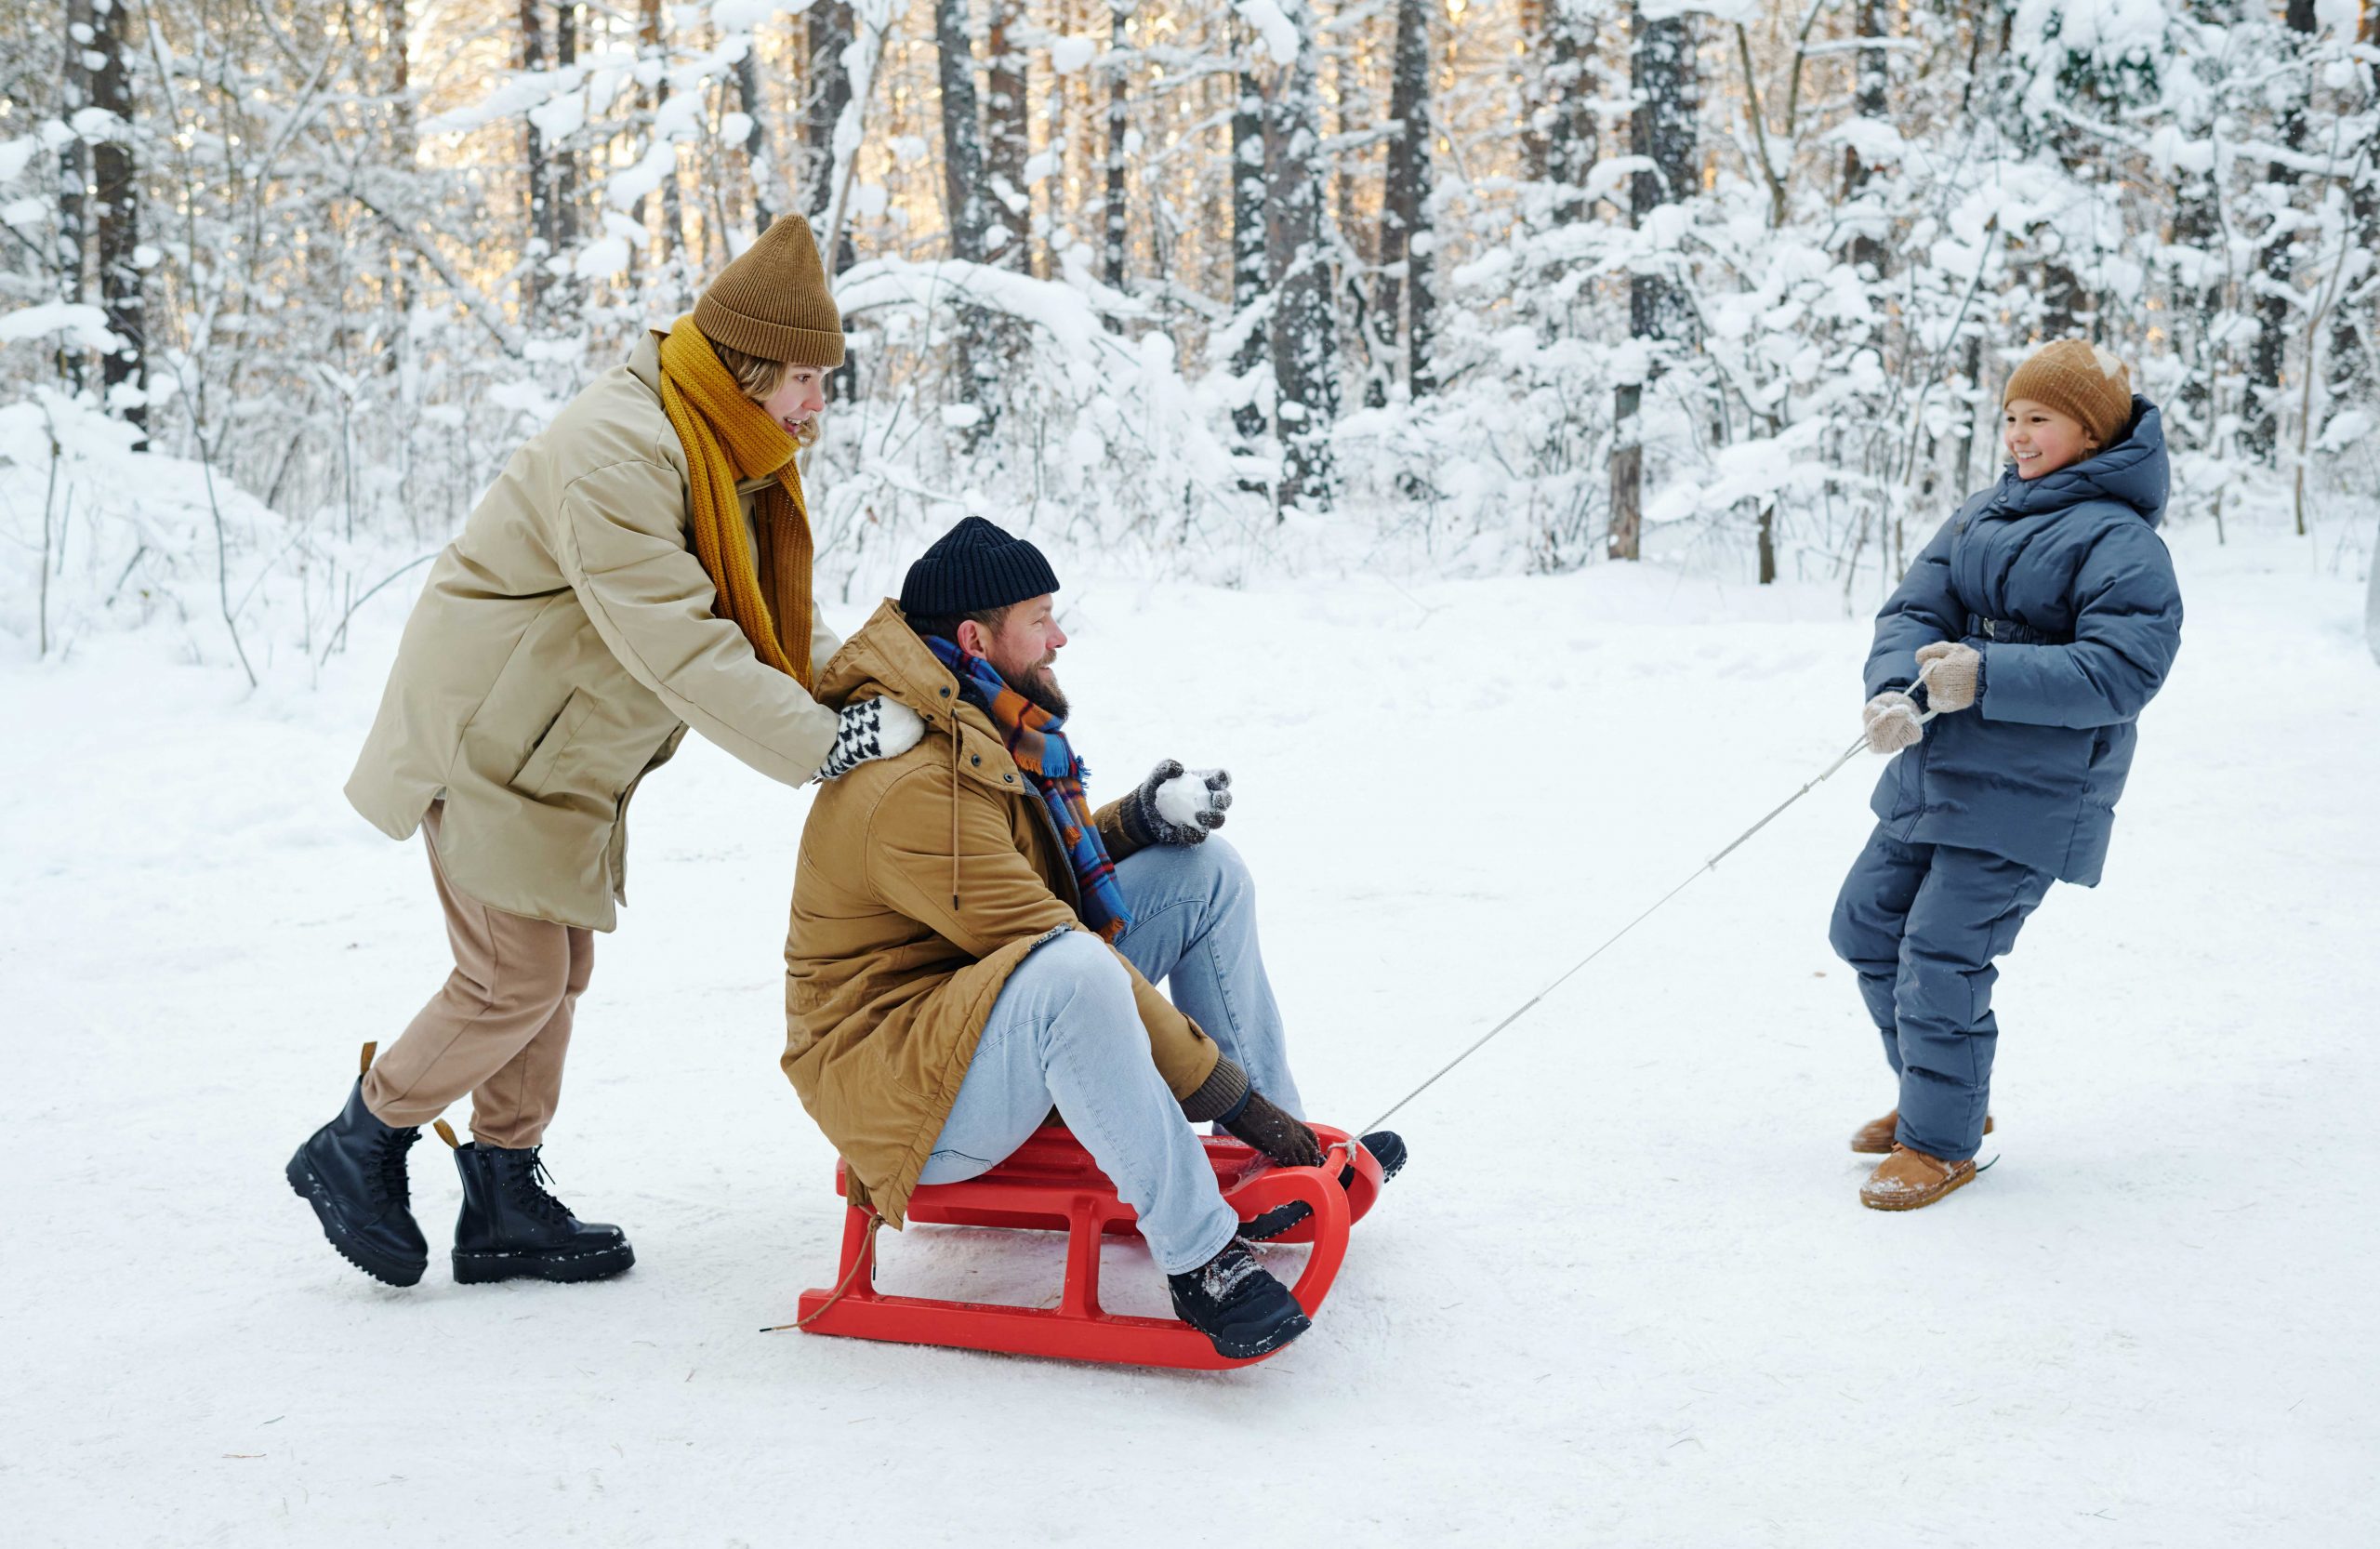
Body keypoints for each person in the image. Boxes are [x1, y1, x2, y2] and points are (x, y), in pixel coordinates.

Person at [287, 217, 926, 1288]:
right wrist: (823, 745)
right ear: (751, 367)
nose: (819, 405)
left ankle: (504, 1191)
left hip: (563, 749)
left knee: (556, 968)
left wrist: (892, 680)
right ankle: (356, 1142)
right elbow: (677, 637)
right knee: (510, 978)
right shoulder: (619, 449)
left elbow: (771, 616)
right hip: (492, 736)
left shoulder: (726, 447)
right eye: (809, 379)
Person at [781, 517, 1406, 1359]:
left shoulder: (975, 717)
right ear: (975, 636)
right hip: (904, 1090)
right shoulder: (910, 785)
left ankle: (1276, 1163)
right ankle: (1201, 1259)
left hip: (974, 1016)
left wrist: (1138, 821)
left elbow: (1026, 878)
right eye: (1040, 619)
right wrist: (1229, 1096)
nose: (1060, 637)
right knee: (1073, 970)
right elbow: (1049, 935)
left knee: (1201, 873)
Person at [1831, 338, 2183, 1211]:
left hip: (2033, 794)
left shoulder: (2122, 541)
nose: (2019, 437)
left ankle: (1940, 1142)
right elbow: (1917, 606)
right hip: (1939, 770)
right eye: (2012, 419)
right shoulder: (1984, 511)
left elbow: (2120, 672)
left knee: (1941, 955)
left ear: (2091, 434)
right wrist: (1894, 690)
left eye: (2041, 420)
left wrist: (1984, 675)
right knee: (1865, 929)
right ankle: (1939, 1098)